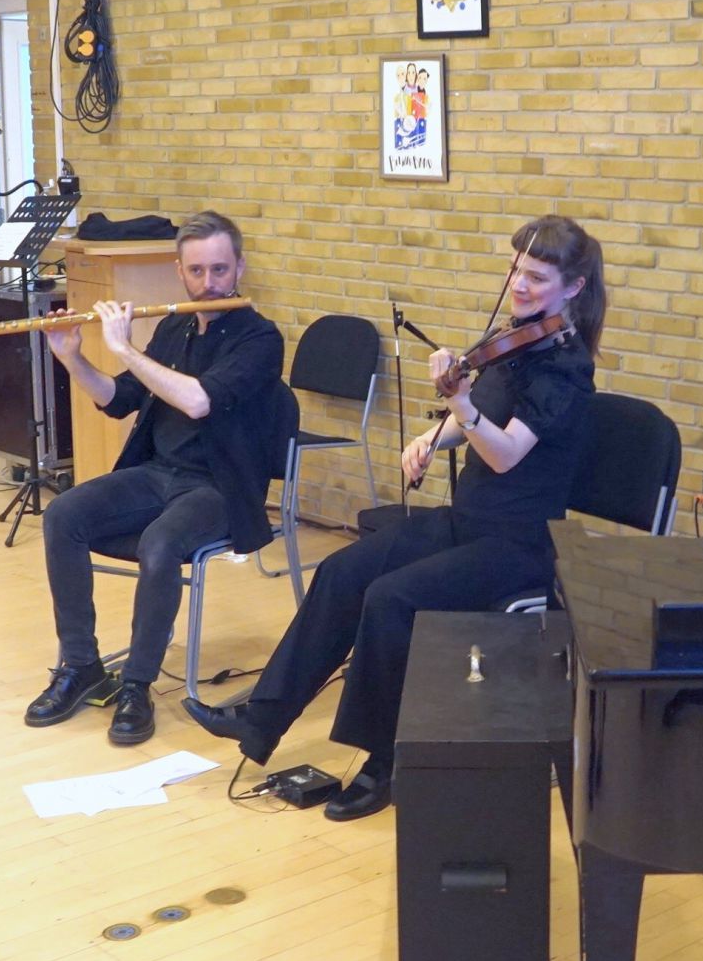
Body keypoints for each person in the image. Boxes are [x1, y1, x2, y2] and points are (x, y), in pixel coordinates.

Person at [185, 214, 603, 823]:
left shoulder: (567, 369)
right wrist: (435, 437)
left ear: (574, 287)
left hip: (520, 546)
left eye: (537, 277)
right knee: (343, 572)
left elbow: (507, 453)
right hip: (467, 521)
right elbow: (475, 417)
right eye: (516, 268)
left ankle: (385, 762)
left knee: (391, 598)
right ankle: (261, 717)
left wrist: (459, 402)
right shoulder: (516, 341)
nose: (519, 283)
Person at [25, 210, 286, 745]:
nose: (208, 282)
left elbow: (198, 401)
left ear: (239, 268)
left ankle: (136, 685)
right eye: (197, 271)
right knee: (64, 514)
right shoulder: (175, 327)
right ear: (179, 271)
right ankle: (81, 666)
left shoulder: (260, 339)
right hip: (157, 473)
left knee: (161, 542)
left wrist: (123, 347)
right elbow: (120, 398)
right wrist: (73, 358)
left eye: (220, 269)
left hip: (219, 488)